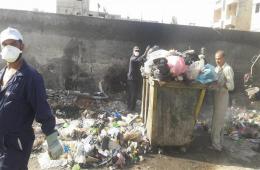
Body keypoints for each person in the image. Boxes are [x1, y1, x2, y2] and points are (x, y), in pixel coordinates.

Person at [0, 27, 63, 170]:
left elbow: (42, 108)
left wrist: (52, 139)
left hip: (16, 144)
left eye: (13, 44)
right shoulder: (2, 74)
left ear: (21, 46)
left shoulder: (31, 77)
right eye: (5, 44)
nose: (9, 48)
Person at [211, 50, 234, 151]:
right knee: (216, 120)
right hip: (217, 96)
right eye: (216, 59)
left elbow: (232, 86)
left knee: (218, 121)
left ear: (224, 58)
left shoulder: (227, 69)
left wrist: (222, 84)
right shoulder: (216, 69)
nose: (217, 60)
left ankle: (217, 145)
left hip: (223, 97)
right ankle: (217, 143)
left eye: (219, 58)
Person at [127, 46, 149, 111]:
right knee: (133, 94)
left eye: (138, 51)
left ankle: (131, 108)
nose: (137, 52)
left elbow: (141, 60)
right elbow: (140, 59)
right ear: (133, 51)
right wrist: (146, 51)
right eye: (136, 51)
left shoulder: (136, 58)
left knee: (133, 94)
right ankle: (130, 109)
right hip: (131, 79)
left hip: (135, 79)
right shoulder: (132, 58)